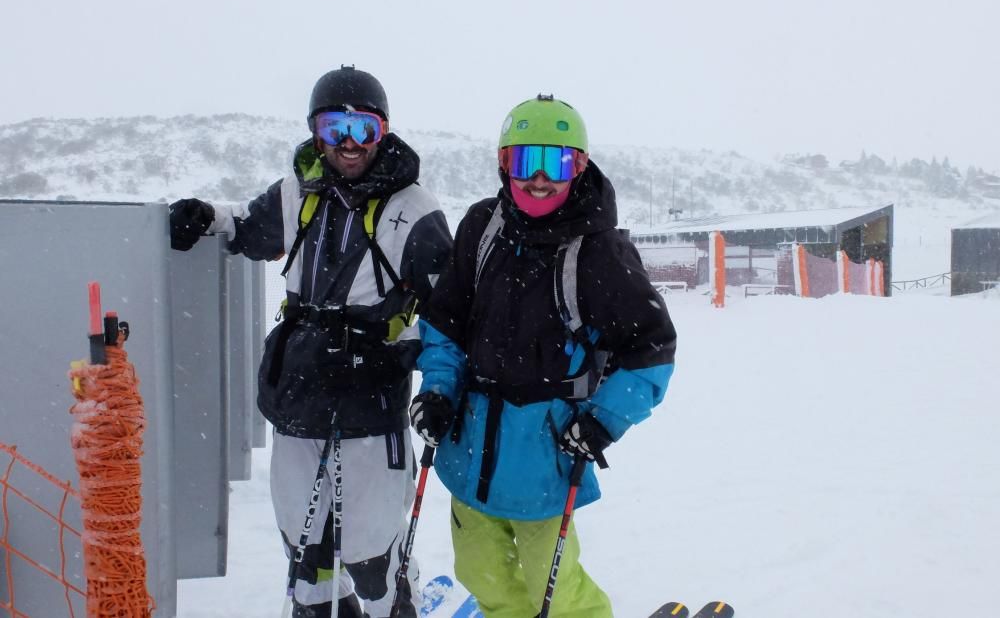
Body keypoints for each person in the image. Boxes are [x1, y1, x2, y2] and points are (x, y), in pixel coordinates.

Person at [168, 65, 453, 618]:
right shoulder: (297, 192)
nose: (348, 145)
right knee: (305, 536)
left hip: (370, 395)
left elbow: (449, 306)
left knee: (370, 542)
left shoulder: (412, 209)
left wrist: (421, 363)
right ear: (315, 132)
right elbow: (245, 229)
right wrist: (206, 217)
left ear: (384, 131)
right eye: (333, 129)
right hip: (301, 387)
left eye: (363, 130)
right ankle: (319, 607)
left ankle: (389, 601)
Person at [408, 95, 677, 617]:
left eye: (554, 163)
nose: (539, 179)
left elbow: (651, 350)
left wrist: (602, 422)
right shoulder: (482, 227)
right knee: (478, 571)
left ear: (578, 167)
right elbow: (445, 321)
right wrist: (438, 390)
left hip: (545, 455)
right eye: (524, 161)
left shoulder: (599, 252)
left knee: (552, 589)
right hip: (469, 448)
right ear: (504, 164)